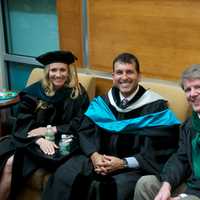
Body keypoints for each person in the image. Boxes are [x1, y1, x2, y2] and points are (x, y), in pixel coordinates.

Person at [42, 52, 180, 200]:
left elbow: (162, 148)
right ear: (113, 76)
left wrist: (123, 163)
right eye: (119, 72)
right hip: (97, 160)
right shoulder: (103, 103)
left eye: (129, 72)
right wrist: (94, 155)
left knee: (110, 189)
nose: (124, 77)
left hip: (132, 169)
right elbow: (85, 131)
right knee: (64, 175)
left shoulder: (155, 108)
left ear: (139, 76)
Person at [0, 50, 89, 200]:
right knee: (9, 163)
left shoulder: (78, 93)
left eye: (62, 70)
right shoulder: (34, 93)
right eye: (54, 70)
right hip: (31, 141)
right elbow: (23, 123)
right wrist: (39, 140)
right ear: (47, 72)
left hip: (63, 142)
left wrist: (52, 129)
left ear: (69, 72)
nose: (58, 74)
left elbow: (81, 122)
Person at [133, 64, 200, 200]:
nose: (192, 94)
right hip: (190, 184)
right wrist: (167, 184)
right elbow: (181, 158)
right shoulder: (190, 124)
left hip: (196, 193)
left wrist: (183, 196)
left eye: (198, 87)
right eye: (188, 89)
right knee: (146, 184)